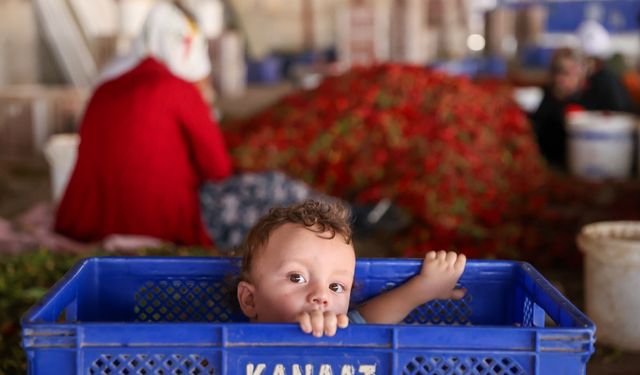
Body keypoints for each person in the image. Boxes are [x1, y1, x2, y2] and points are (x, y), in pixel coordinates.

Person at [236, 199, 466, 337]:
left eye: (336, 286)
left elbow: (374, 316)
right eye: (296, 278)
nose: (321, 295)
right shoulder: (232, 346)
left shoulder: (344, 332)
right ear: (249, 300)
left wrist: (425, 288)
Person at [531, 20, 633, 169]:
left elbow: (622, 119)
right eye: (560, 73)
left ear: (583, 70)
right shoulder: (551, 95)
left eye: (571, 72)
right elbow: (538, 131)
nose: (564, 79)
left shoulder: (604, 84)